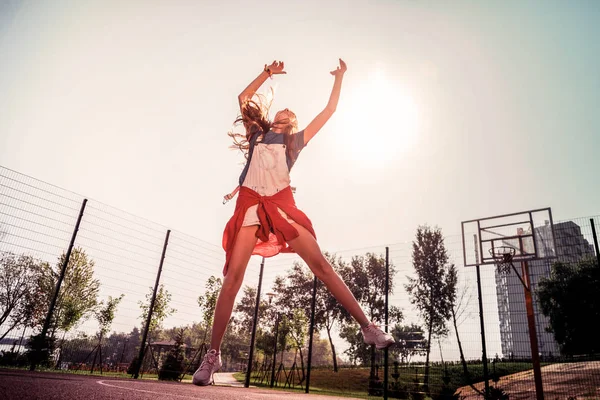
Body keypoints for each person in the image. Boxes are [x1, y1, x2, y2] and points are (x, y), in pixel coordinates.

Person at [193, 59, 395, 386]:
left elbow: (328, 112)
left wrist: (339, 78)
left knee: (321, 265)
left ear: (292, 123)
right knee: (232, 279)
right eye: (281, 110)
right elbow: (244, 97)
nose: (284, 111)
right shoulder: (257, 133)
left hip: (282, 203)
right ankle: (212, 357)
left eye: (290, 113)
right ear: (273, 117)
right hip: (250, 202)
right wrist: (267, 74)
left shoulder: (293, 143)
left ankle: (368, 328)